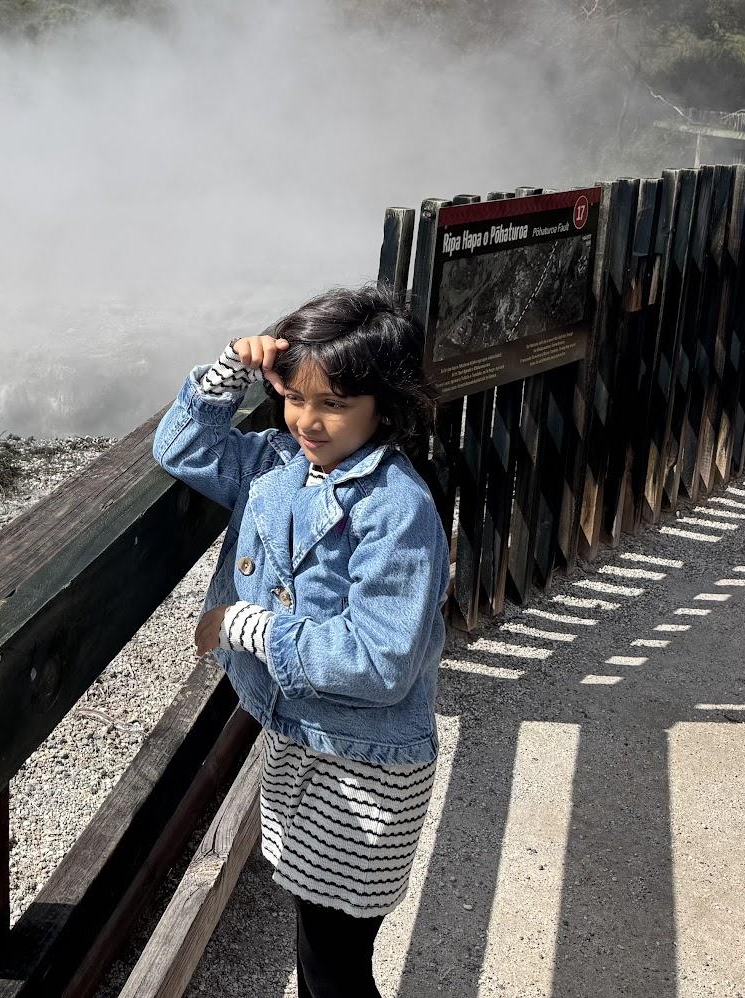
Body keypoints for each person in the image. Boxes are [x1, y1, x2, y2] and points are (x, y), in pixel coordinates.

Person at [152, 285, 447, 998]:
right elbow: (182, 447)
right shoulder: (280, 465)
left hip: (365, 767)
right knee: (322, 949)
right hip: (304, 744)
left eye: (333, 404)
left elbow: (379, 661)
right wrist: (229, 368)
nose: (308, 421)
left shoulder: (396, 509)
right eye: (293, 398)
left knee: (333, 964)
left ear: (383, 405)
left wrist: (244, 625)